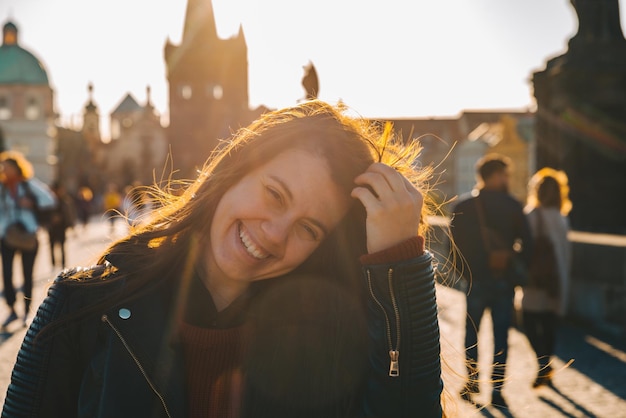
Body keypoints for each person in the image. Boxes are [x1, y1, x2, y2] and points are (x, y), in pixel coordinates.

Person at [2, 100, 444, 418]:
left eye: (309, 229)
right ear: (234, 171)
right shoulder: (81, 306)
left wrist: (399, 269)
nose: (273, 233)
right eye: (274, 193)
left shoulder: (326, 344)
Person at [450, 153, 532, 409]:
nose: (507, 179)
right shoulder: (512, 205)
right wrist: (511, 262)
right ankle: (497, 389)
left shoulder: (463, 206)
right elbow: (528, 244)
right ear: (496, 176)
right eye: (505, 174)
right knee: (500, 336)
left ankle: (471, 382)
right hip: (503, 280)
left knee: (471, 334)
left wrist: (466, 274)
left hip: (475, 280)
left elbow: (451, 248)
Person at [521, 168, 572, 388]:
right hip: (557, 279)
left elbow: (524, 247)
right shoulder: (562, 218)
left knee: (530, 323)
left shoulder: (532, 215)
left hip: (536, 279)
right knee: (549, 325)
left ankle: (543, 365)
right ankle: (546, 365)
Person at [0, 151, 57, 328]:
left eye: (7, 167)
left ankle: (26, 311)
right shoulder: (3, 187)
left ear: (17, 168)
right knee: (7, 275)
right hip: (7, 235)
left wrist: (31, 203)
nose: (4, 170)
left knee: (27, 275)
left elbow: (50, 199)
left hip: (28, 235)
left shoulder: (28, 185)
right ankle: (12, 310)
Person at [46, 182, 77, 268]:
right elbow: (44, 213)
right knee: (52, 246)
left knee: (62, 246)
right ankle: (53, 263)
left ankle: (63, 263)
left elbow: (69, 214)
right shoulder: (48, 201)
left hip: (61, 227)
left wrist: (70, 224)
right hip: (51, 228)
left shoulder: (64, 200)